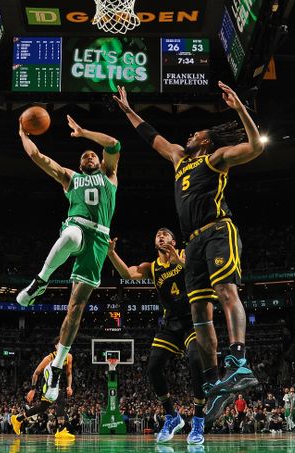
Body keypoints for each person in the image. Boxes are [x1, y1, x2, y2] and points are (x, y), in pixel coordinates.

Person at [113, 82, 264, 422]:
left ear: (206, 141)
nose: (191, 133)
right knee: (200, 314)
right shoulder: (179, 159)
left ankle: (238, 359)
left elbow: (255, 147)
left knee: (226, 290)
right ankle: (213, 382)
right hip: (192, 242)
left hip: (217, 230)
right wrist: (128, 110)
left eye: (197, 132)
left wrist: (240, 109)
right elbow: (153, 137)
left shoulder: (216, 158)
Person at [14, 114, 120, 403]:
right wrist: (24, 135)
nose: (88, 156)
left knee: (76, 308)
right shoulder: (70, 178)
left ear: (99, 162)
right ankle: (40, 281)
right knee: (71, 236)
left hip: (99, 239)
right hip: (77, 227)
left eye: (91, 155)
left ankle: (57, 368)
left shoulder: (109, 177)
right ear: (80, 164)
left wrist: (85, 132)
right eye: (84, 156)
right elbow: (39, 158)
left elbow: (113, 144)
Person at [106, 228, 213, 445]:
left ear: (173, 240)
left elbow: (200, 271)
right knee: (153, 367)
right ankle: (172, 416)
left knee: (195, 360)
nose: (160, 236)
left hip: (193, 319)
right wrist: (110, 253)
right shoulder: (152, 267)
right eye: (157, 235)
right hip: (171, 323)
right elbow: (127, 273)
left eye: (165, 234)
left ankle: (199, 418)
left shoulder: (184, 253)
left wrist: (177, 259)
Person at [10, 337, 75, 440]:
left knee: (42, 407)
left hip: (55, 383)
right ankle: (61, 430)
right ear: (56, 346)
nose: (62, 347)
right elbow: (36, 373)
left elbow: (68, 373)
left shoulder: (69, 357)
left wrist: (69, 386)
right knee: (60, 399)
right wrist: (32, 389)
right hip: (46, 383)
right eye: (60, 345)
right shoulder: (49, 358)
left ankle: (18, 419)